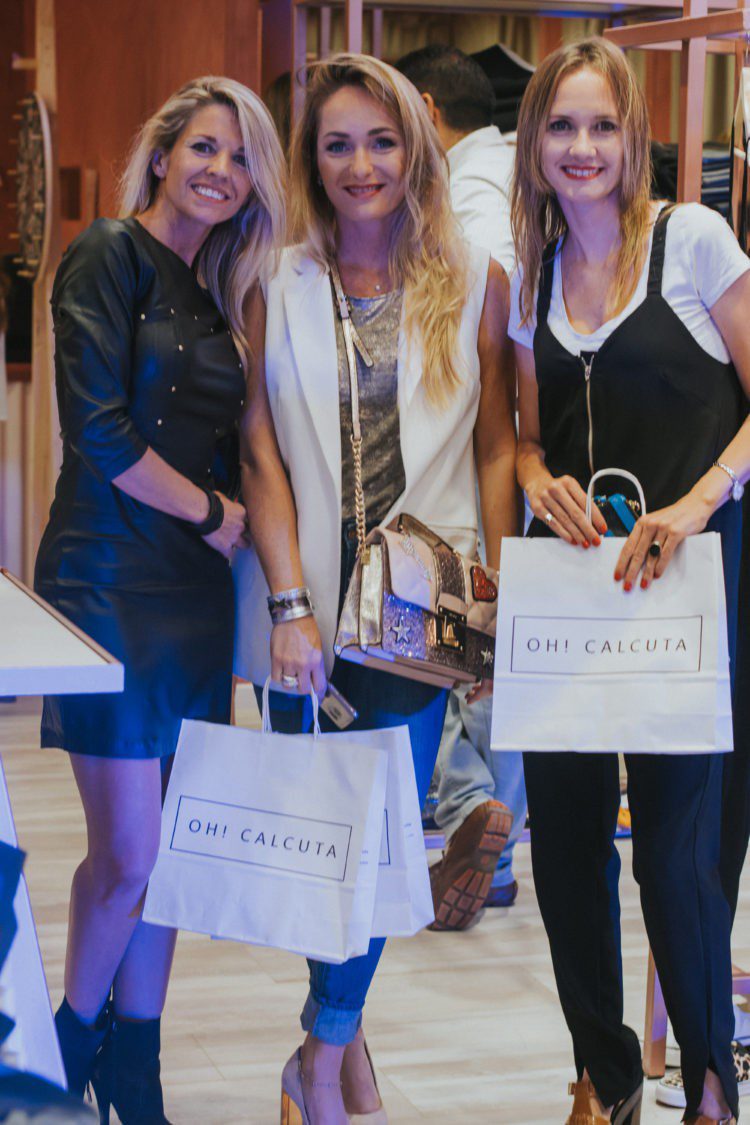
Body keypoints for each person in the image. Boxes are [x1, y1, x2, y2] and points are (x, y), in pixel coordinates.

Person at [233, 51, 518, 1125]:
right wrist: (287, 604)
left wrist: (496, 593)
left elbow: (496, 445)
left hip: (420, 614)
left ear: (417, 148)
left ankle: (318, 1057)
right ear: (312, 161)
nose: (362, 166)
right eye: (338, 145)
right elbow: (258, 447)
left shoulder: (476, 279)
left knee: (378, 841)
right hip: (303, 612)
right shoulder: (274, 281)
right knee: (325, 849)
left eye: (383, 141)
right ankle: (343, 1051)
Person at [33, 77, 285, 1123]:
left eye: (242, 158)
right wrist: (214, 514)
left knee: (171, 858)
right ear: (165, 152)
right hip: (107, 577)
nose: (221, 170)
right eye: (206, 148)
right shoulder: (107, 254)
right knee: (128, 853)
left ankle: (136, 1071)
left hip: (193, 597)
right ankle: (57, 1055)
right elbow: (97, 429)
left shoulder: (221, 293)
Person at [511, 36, 750, 1125]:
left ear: (634, 135)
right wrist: (536, 478)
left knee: (677, 854)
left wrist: (696, 501)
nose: (582, 146)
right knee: (566, 846)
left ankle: (707, 1082)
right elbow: (523, 435)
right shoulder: (530, 274)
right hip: (569, 603)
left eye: (602, 124)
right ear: (535, 141)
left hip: (690, 598)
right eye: (562, 125)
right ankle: (604, 1079)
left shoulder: (692, 241)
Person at [396, 44, 526, 927]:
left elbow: (474, 344)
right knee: (493, 666)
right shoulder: (517, 172)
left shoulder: (466, 200)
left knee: (453, 667)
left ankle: (470, 816)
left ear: (426, 111)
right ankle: (496, 851)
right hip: (534, 450)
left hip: (479, 453)